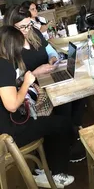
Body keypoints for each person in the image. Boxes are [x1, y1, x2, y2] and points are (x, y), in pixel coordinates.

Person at [4, 6, 86, 163]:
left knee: (80, 94)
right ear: (11, 27)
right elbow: (14, 82)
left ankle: (73, 131)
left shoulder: (35, 34)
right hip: (34, 90)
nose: (27, 30)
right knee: (65, 102)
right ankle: (68, 140)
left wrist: (53, 59)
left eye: (29, 24)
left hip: (50, 78)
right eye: (22, 27)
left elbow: (51, 51)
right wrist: (35, 73)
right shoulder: (11, 46)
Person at [0, 25, 75, 187]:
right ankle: (56, 174)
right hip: (7, 135)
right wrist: (27, 83)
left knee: (50, 121)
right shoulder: (4, 65)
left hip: (6, 128)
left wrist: (23, 82)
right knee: (61, 123)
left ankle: (46, 167)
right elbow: (12, 105)